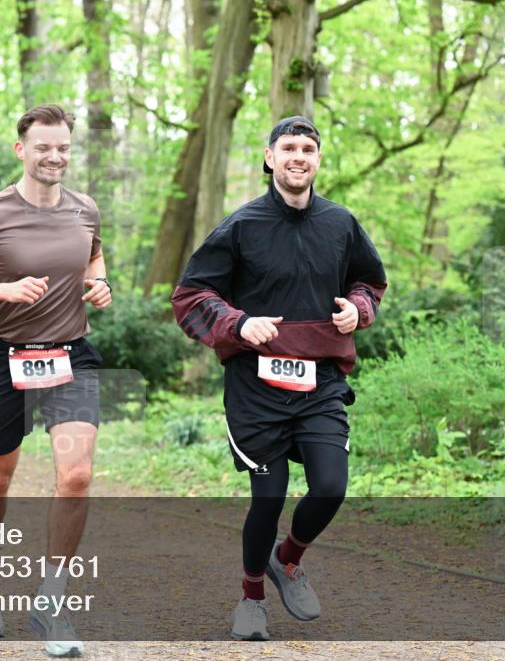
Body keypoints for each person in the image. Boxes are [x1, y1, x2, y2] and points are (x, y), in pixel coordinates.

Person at [172, 116, 387, 641]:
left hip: (320, 382)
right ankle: (250, 600)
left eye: (308, 148)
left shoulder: (341, 223)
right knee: (267, 499)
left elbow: (369, 281)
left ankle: (287, 560)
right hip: (257, 387)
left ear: (317, 160)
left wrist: (358, 309)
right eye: (288, 147)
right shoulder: (241, 226)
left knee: (332, 486)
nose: (298, 156)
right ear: (270, 158)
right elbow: (191, 296)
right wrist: (239, 323)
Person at [0, 104, 111, 657]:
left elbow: (95, 258)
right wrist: (2, 292)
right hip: (3, 358)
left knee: (77, 475)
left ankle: (51, 601)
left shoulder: (85, 210)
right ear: (22, 150)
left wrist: (99, 285)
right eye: (43, 147)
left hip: (71, 357)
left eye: (62, 147)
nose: (54, 156)